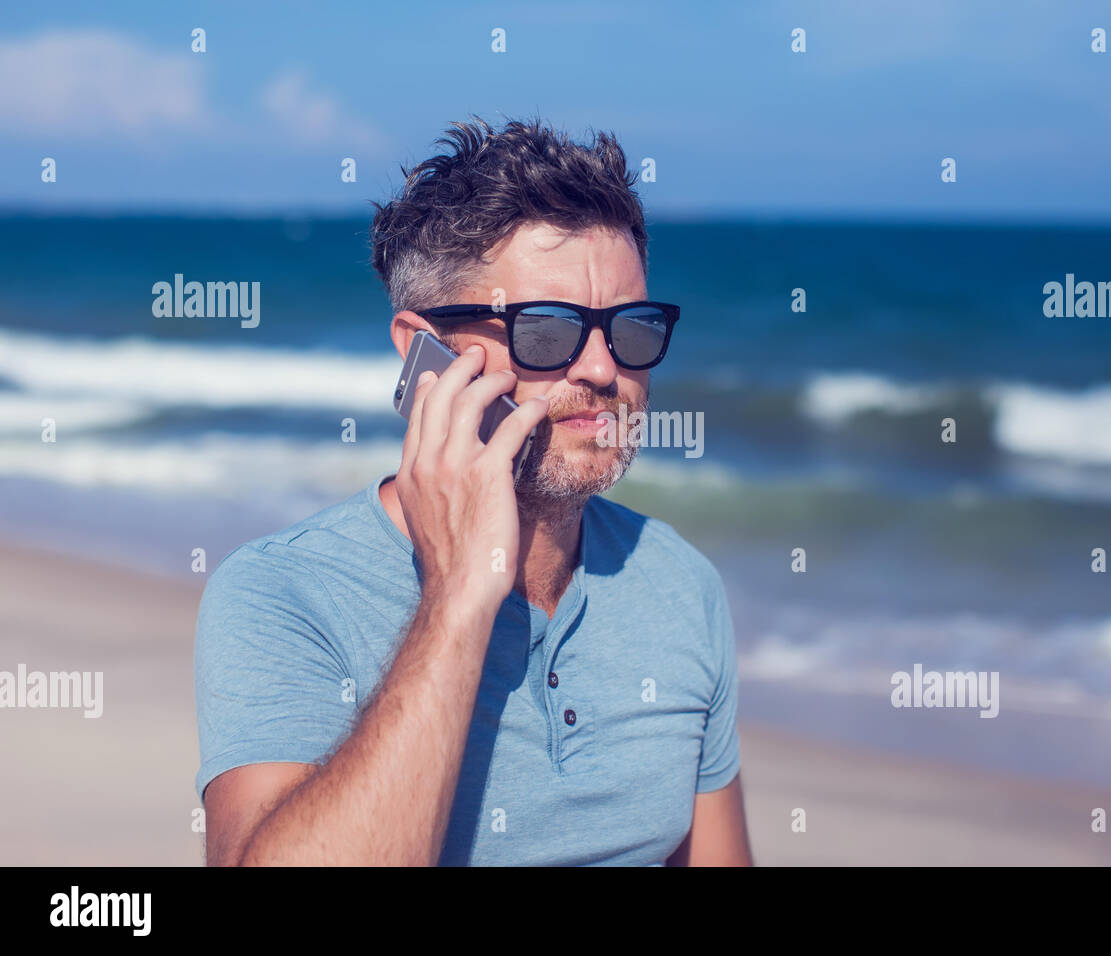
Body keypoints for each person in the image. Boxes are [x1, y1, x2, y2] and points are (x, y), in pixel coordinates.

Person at [194, 116, 752, 866]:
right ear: (423, 352)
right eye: (546, 331)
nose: (600, 369)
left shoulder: (680, 583)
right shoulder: (282, 592)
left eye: (631, 328)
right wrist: (458, 597)